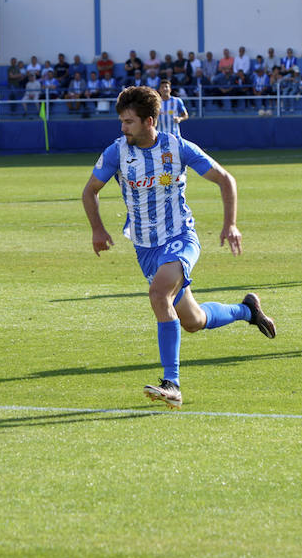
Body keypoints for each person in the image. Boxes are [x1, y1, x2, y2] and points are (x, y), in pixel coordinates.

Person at [81, 85, 276, 409]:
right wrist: (97, 229)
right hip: (145, 248)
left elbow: (225, 179)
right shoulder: (117, 151)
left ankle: (172, 384)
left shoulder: (177, 147)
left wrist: (230, 223)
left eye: (128, 121)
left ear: (149, 120)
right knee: (194, 321)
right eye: (121, 121)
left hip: (180, 238)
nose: (122, 127)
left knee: (158, 295)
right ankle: (247, 310)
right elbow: (90, 191)